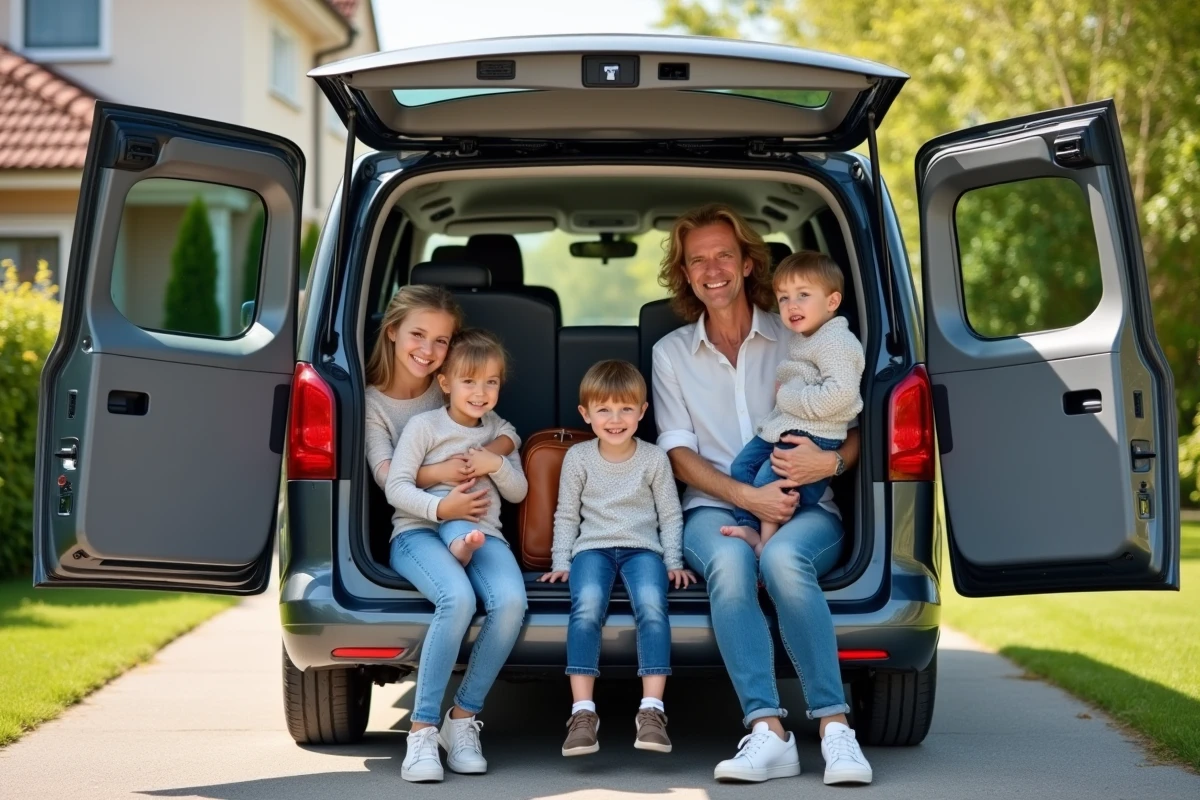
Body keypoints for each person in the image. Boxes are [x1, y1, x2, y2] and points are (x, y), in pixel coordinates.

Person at [651, 204, 873, 785]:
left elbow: (855, 428)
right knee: (729, 562)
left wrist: (828, 461)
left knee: (782, 559)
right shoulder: (671, 352)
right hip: (714, 506)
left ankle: (835, 729)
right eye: (697, 259)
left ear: (749, 263)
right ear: (686, 273)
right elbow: (677, 455)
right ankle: (768, 732)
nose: (712, 268)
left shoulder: (799, 331)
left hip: (808, 504)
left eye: (724, 254)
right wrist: (749, 500)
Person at [363, 294, 526, 783]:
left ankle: (463, 719)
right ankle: (422, 729)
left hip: (478, 527)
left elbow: (507, 434)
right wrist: (443, 501)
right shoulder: (380, 406)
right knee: (455, 599)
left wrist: (492, 454)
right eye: (418, 335)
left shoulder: (467, 388)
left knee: (512, 602)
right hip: (418, 527)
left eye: (441, 340)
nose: (429, 348)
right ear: (392, 331)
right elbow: (391, 476)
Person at [537, 360, 696, 757]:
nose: (615, 419)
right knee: (587, 606)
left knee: (652, 607)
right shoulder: (578, 457)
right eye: (604, 409)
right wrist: (562, 561)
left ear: (643, 412)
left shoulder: (654, 458)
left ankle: (652, 710)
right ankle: (582, 713)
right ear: (585, 414)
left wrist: (674, 561)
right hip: (591, 549)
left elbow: (670, 514)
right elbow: (567, 514)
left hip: (644, 550)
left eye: (626, 409)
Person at [720, 252, 865, 555]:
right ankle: (749, 524)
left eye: (803, 295)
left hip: (815, 433)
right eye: (783, 298)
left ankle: (766, 540)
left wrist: (787, 395)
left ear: (832, 301)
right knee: (742, 466)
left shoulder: (837, 341)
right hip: (788, 425)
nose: (791, 305)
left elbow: (841, 395)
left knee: (766, 479)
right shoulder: (807, 335)